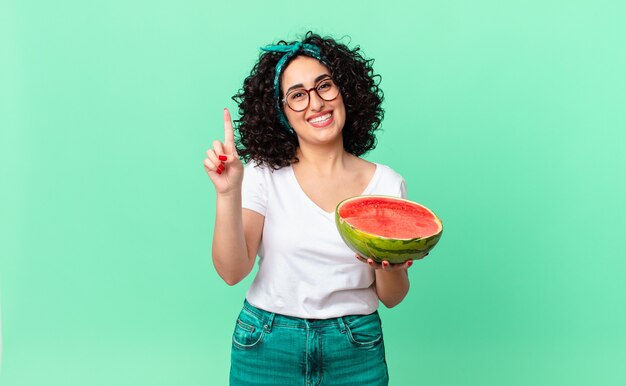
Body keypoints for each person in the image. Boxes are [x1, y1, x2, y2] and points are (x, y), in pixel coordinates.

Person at [204, 32, 418, 386]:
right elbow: (231, 271)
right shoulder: (262, 175)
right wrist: (228, 192)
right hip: (267, 343)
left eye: (324, 86)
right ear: (282, 112)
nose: (316, 103)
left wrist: (389, 266)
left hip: (355, 346)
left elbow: (392, 297)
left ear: (345, 92)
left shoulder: (387, 184)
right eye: (297, 96)